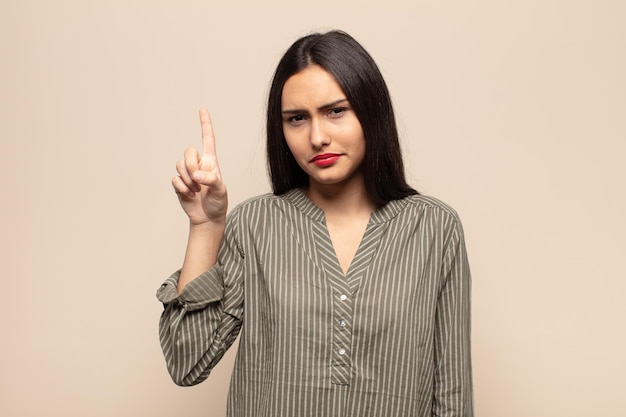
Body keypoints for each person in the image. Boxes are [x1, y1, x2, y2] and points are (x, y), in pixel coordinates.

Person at [157, 30, 473, 416]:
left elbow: (453, 396)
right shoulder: (256, 225)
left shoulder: (435, 229)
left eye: (335, 111)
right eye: (297, 119)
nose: (317, 137)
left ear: (371, 111)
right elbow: (186, 363)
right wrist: (205, 227)